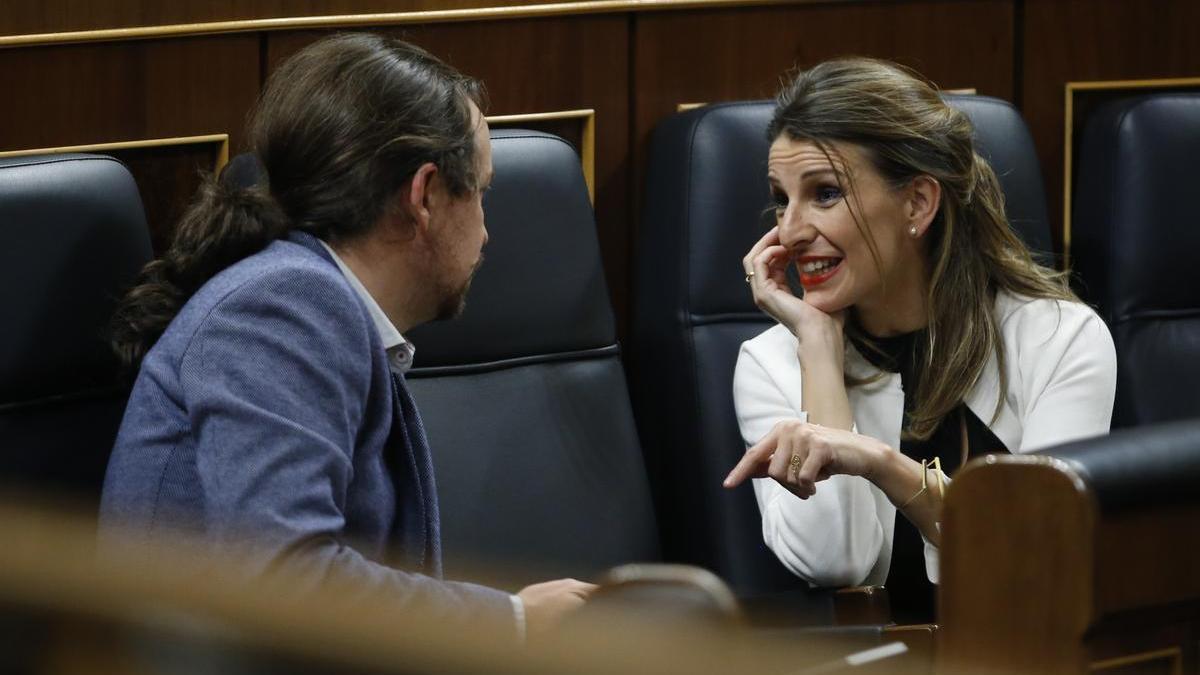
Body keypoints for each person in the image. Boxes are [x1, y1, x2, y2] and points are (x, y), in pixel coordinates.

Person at [99, 33, 593, 640]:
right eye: (481, 192)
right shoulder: (284, 306)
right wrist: (514, 621)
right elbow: (285, 579)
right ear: (426, 196)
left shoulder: (302, 296)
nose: (488, 232)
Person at [722, 58, 1116, 622]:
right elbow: (838, 565)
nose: (791, 231)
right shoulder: (771, 363)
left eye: (825, 193)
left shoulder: (1059, 338)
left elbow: (1038, 556)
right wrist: (818, 351)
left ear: (918, 203)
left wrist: (882, 464)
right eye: (782, 198)